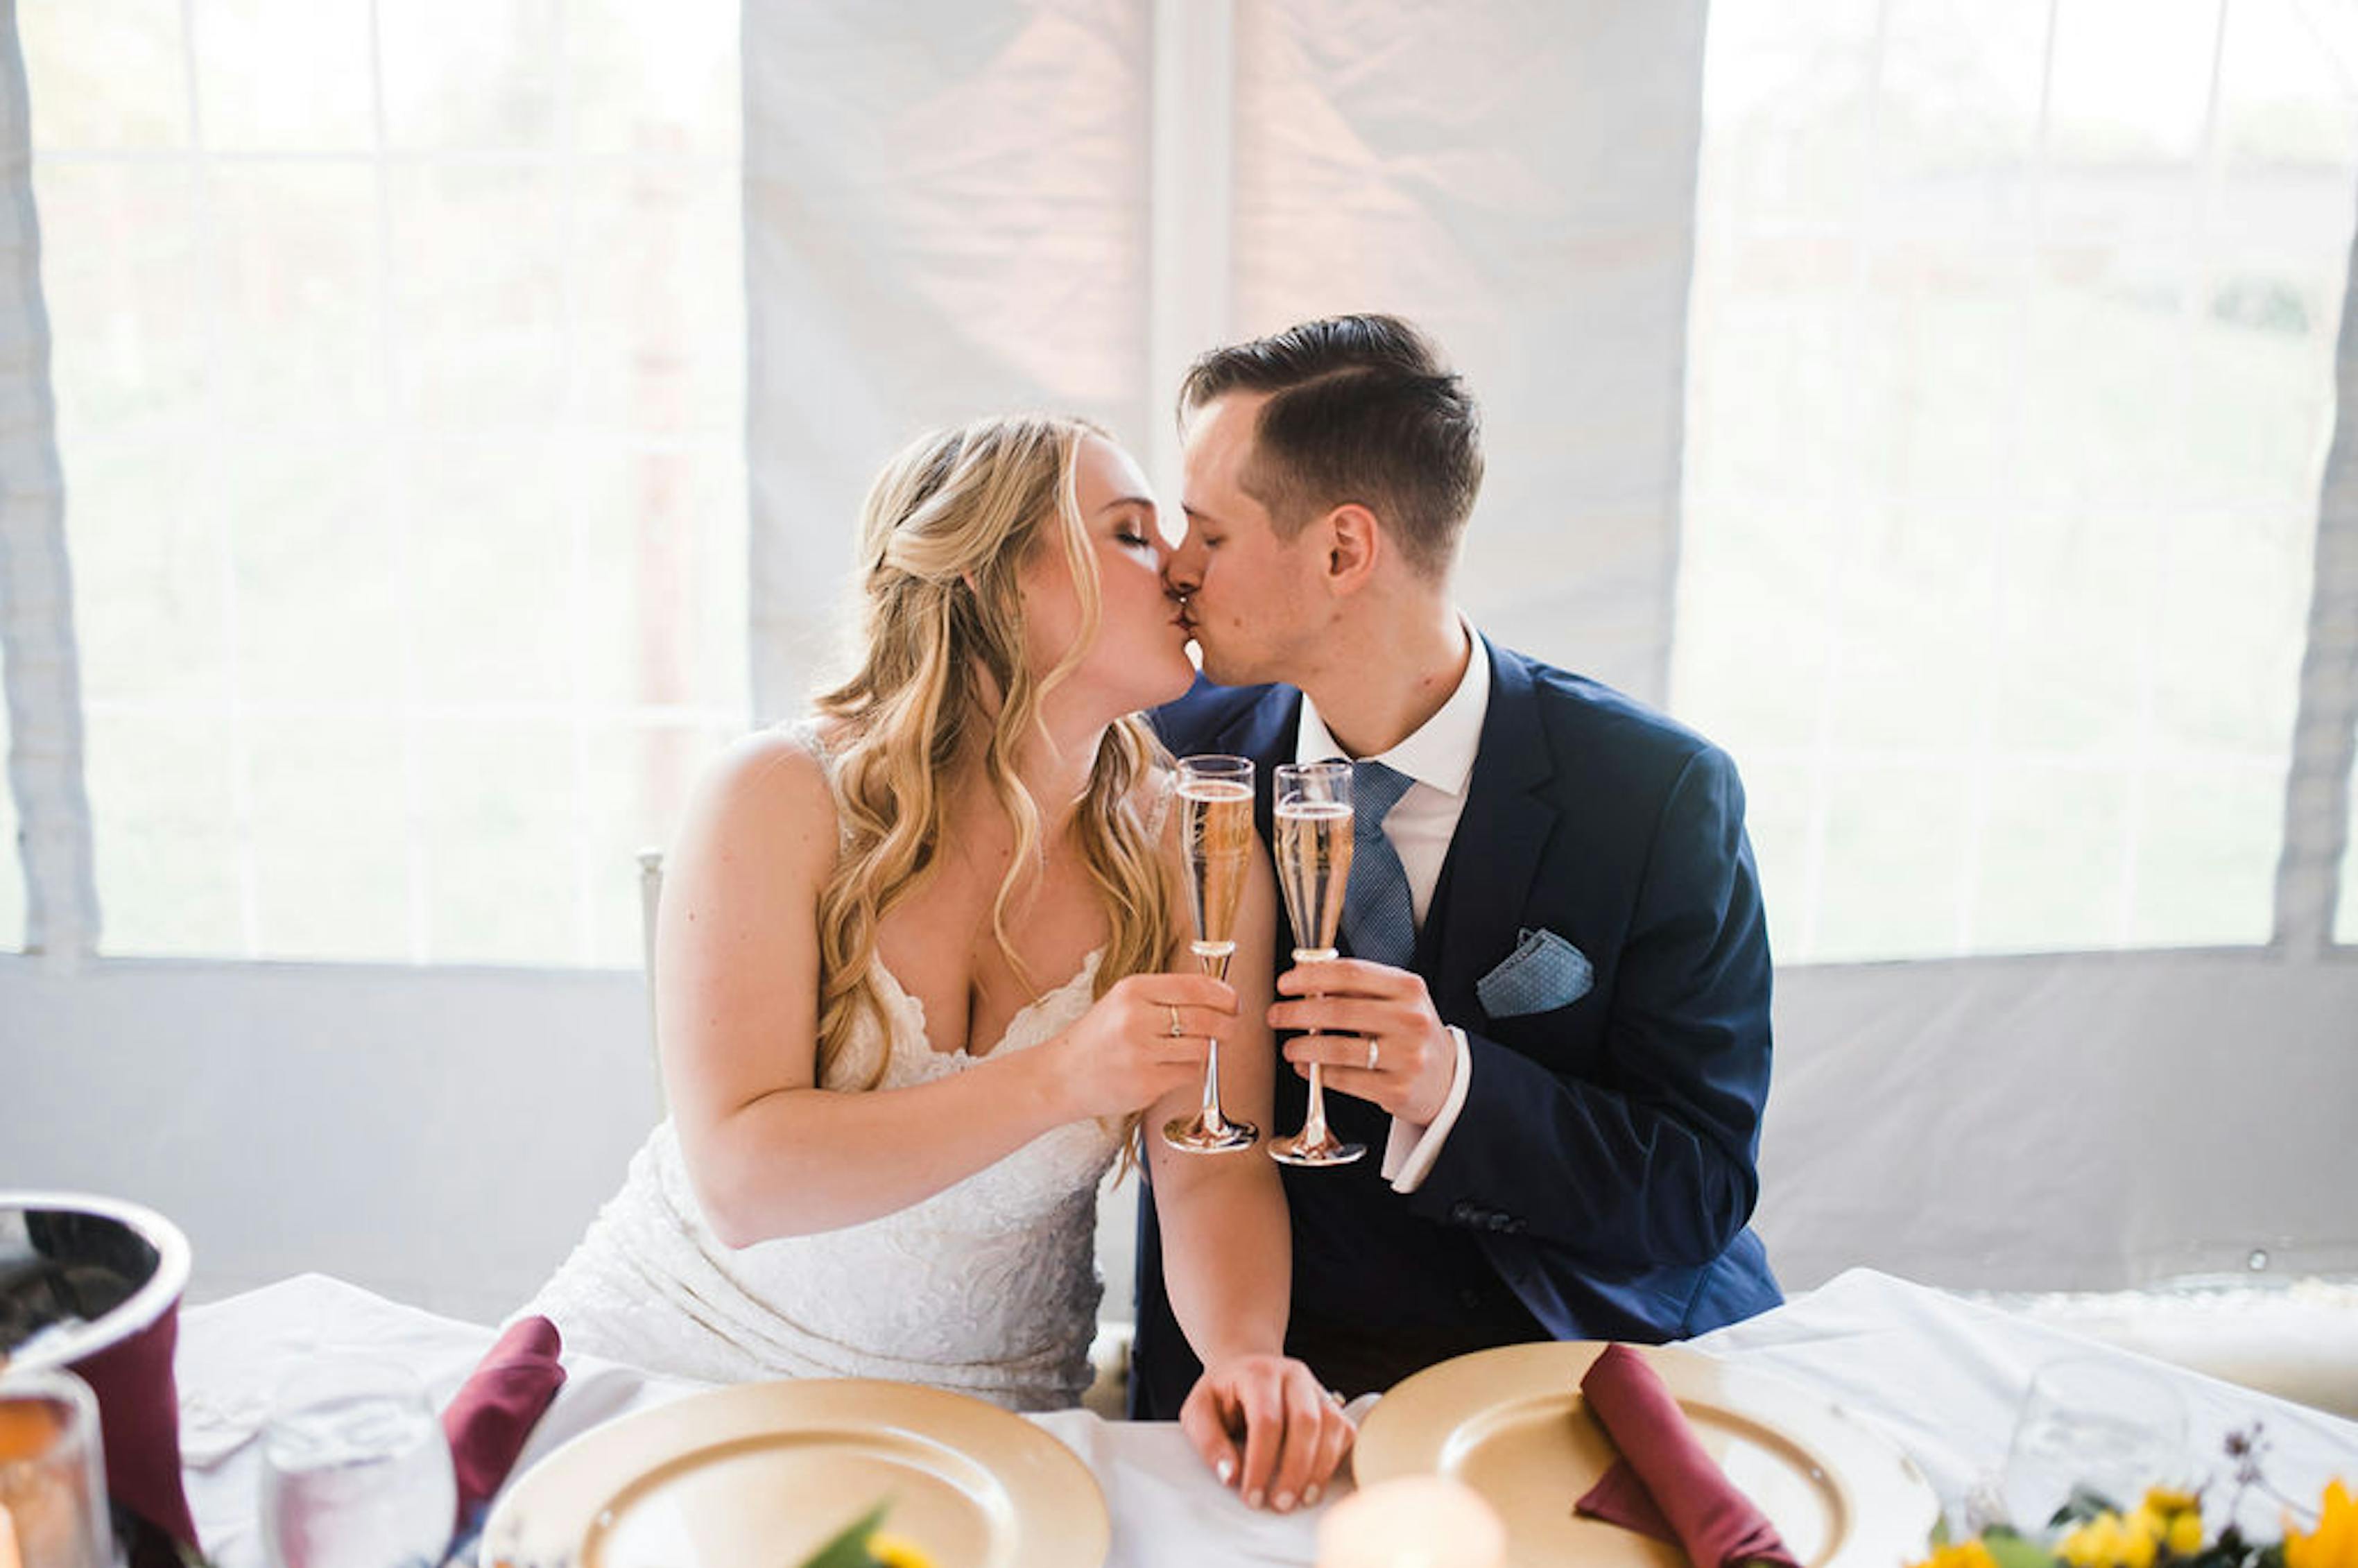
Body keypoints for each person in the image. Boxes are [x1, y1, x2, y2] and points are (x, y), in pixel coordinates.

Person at [530, 415, 1352, 1506]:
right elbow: (739, 1180)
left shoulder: (1193, 847)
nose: (1183, 572)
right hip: (682, 1363)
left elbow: (1211, 1168)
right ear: (999, 580)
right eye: (1130, 535)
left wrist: (1247, 1354)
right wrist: (1061, 1076)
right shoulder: (777, 797)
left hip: (985, 1423)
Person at [1130, 316, 1784, 1419]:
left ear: (1344, 550)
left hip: (1567, 1359)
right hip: (1270, 1365)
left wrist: (1455, 1084)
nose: (1175, 572)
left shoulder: (1658, 796)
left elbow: (1701, 1186)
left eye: (1209, 535)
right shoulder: (1168, 756)